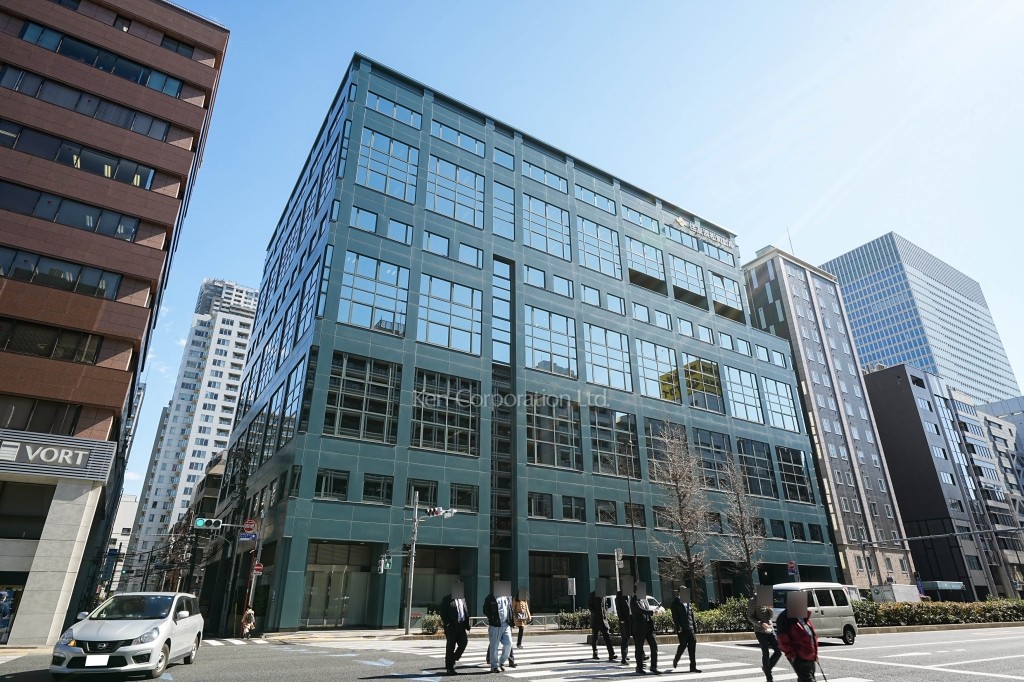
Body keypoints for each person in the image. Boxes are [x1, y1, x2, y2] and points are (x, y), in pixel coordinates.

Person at [776, 606, 818, 682]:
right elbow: (782, 639)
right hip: (799, 657)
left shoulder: (804, 616)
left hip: (810, 655)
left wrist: (815, 654)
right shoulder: (785, 618)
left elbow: (811, 636)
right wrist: (792, 655)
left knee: (805, 679)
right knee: (808, 680)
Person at [748, 596, 782, 681]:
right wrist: (760, 624)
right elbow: (750, 617)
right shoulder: (753, 600)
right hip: (760, 630)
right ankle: (769, 677)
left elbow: (770, 616)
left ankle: (767, 668)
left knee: (778, 651)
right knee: (765, 652)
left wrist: (770, 610)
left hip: (770, 628)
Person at [630, 588, 661, 675]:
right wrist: (653, 612)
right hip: (639, 628)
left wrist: (653, 611)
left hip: (649, 627)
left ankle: (653, 667)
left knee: (654, 646)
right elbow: (641, 610)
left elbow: (647, 610)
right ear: (635, 592)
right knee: (639, 649)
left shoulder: (644, 600)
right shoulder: (633, 601)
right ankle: (639, 667)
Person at [439, 590, 470, 676]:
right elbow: (442, 613)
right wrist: (448, 624)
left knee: (464, 642)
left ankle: (453, 659)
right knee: (450, 647)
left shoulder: (463, 599)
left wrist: (467, 623)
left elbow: (465, 611)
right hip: (451, 626)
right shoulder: (447, 599)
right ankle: (449, 668)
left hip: (461, 626)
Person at [483, 588, 514, 673]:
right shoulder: (490, 597)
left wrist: (511, 620)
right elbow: (485, 609)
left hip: (506, 624)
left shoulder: (508, 596)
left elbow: (510, 609)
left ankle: (502, 662)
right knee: (494, 645)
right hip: (495, 625)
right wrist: (492, 618)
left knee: (509, 643)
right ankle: (494, 666)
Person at [670, 592, 701, 673]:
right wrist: (678, 628)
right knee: (683, 646)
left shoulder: (688, 602)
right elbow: (675, 617)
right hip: (682, 629)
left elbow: (691, 615)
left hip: (690, 628)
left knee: (692, 647)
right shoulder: (675, 603)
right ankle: (676, 659)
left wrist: (694, 626)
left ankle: (693, 667)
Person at [588, 590, 617, 661]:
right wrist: (594, 613)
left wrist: (605, 613)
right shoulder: (593, 594)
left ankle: (611, 654)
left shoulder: (604, 595)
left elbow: (606, 605)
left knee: (607, 637)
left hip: (603, 620)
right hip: (596, 619)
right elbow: (590, 605)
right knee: (595, 637)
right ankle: (595, 653)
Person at [614, 589, 633, 665]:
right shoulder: (620, 595)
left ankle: (642, 655)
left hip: (633, 619)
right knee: (625, 638)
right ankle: (624, 658)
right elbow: (618, 608)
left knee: (637, 637)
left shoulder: (633, 594)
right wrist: (621, 619)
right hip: (625, 620)